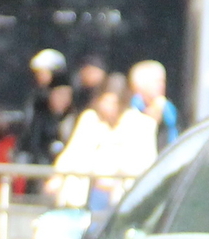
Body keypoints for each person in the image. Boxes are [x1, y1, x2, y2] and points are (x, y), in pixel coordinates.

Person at [50, 85, 158, 216]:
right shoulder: (90, 120)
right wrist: (57, 176)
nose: (107, 107)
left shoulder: (142, 124)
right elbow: (73, 152)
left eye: (112, 103)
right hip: (87, 191)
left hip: (119, 193)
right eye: (104, 102)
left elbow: (145, 162)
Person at [128, 59, 180, 148]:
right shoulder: (130, 108)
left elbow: (174, 139)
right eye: (156, 82)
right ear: (139, 84)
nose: (161, 85)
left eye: (162, 81)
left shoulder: (167, 108)